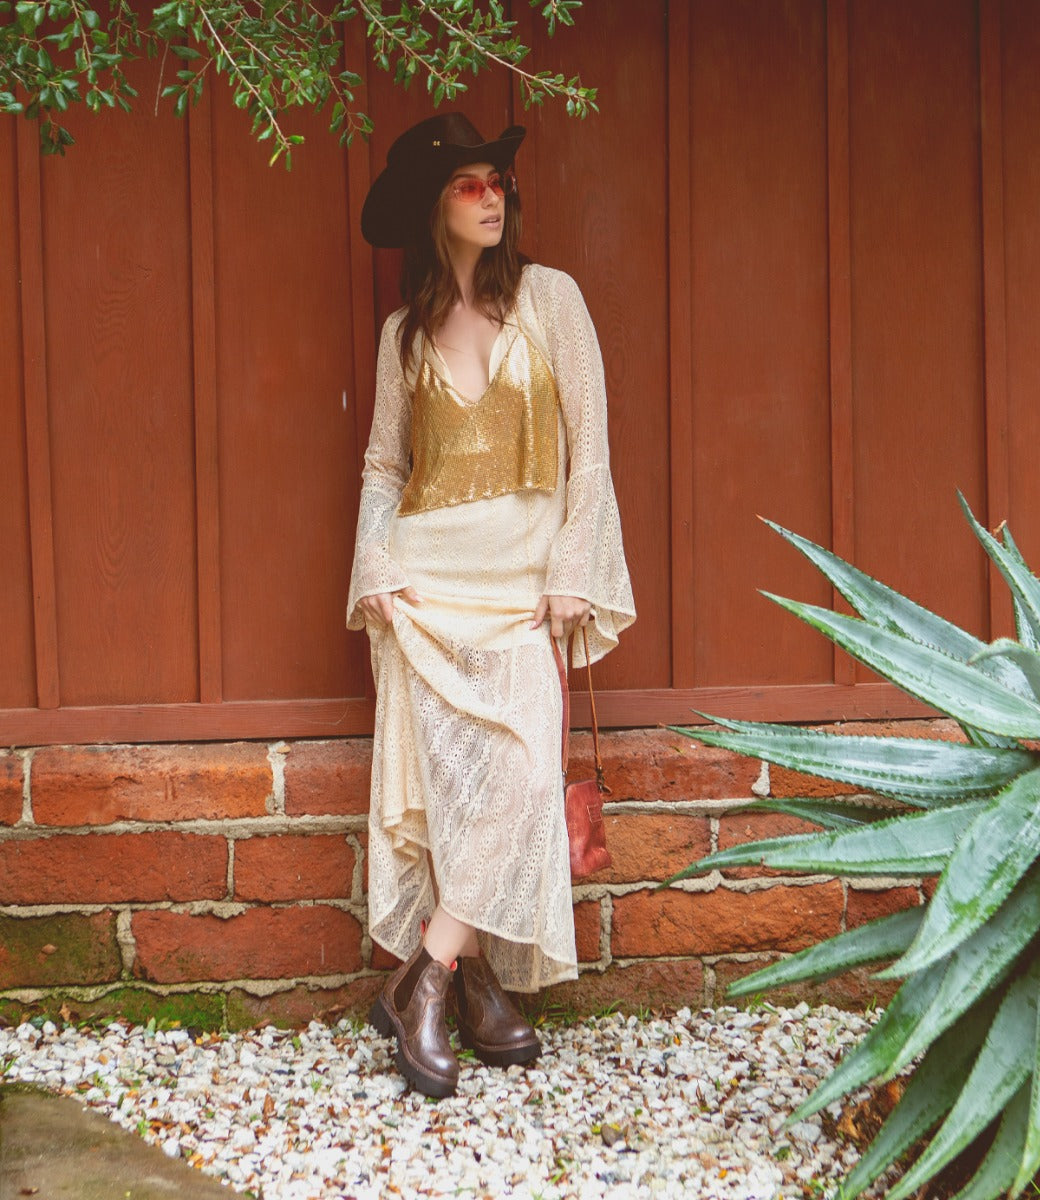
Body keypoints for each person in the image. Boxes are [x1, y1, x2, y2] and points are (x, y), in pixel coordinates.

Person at [347, 112, 635, 1098]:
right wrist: (374, 565)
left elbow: (587, 453)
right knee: (452, 801)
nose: (488, 195)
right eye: (467, 182)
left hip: (520, 595)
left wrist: (575, 569)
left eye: (495, 180)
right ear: (432, 206)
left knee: (513, 781)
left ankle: (422, 979)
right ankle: (471, 997)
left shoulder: (552, 301)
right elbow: (385, 466)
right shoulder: (403, 335)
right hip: (425, 595)